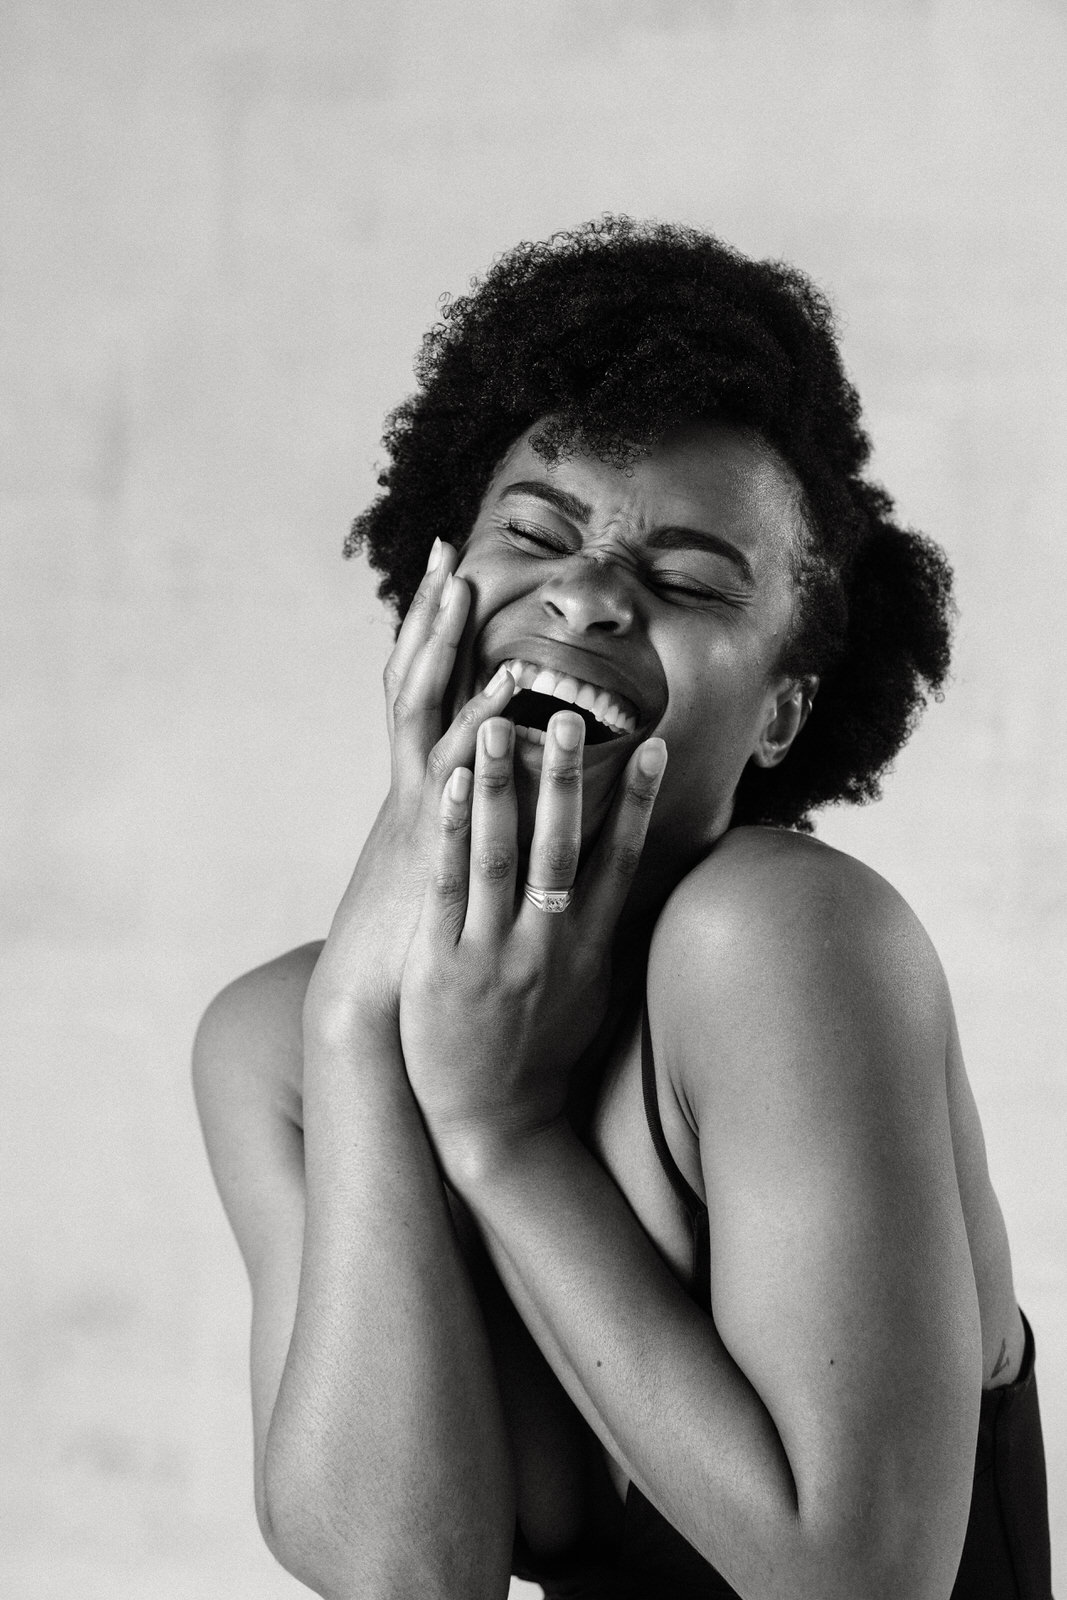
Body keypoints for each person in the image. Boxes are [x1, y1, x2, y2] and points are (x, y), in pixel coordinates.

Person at [192, 217, 1052, 1600]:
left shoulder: (779, 944)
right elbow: (405, 1576)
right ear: (439, 593)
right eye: (537, 532)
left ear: (781, 709)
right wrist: (363, 1013)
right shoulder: (273, 1046)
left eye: (691, 578)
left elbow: (859, 1581)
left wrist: (502, 1127)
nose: (587, 595)